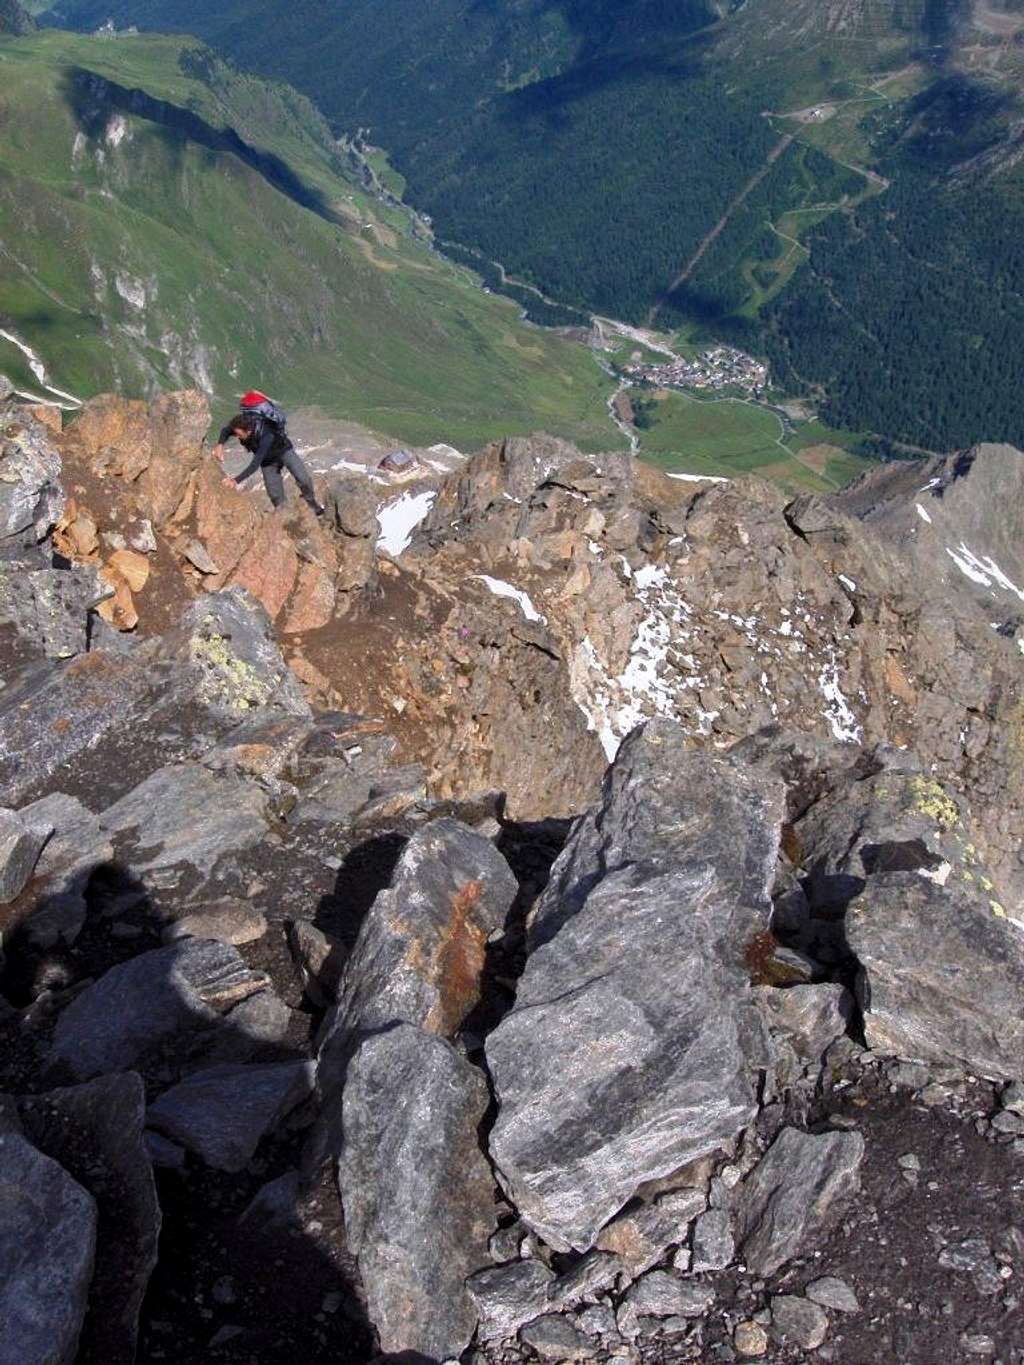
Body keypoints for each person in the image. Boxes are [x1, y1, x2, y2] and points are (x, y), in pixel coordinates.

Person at [211, 411, 325, 515]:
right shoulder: (241, 426)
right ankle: (286, 516)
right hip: (268, 461)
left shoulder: (266, 435)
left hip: (284, 451)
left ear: (249, 431)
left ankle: (311, 503)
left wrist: (235, 481)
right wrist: (220, 444)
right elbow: (226, 430)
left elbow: (255, 464)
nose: (237, 437)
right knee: (275, 495)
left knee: (303, 479)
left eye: (239, 435)